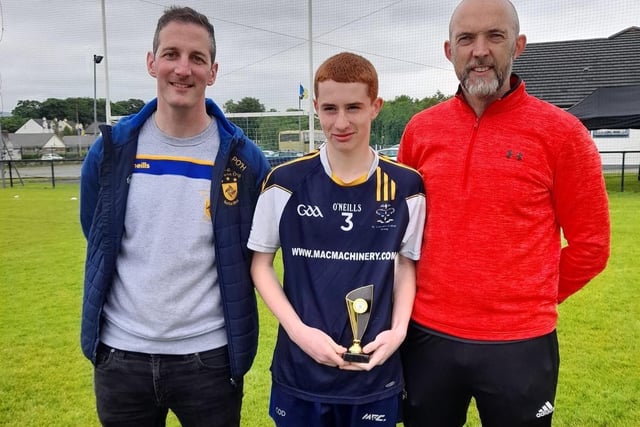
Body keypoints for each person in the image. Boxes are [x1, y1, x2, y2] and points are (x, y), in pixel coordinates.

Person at [398, 0, 611, 426]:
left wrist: (528, 298)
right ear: (449, 50)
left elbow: (592, 246)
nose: (479, 50)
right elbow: (403, 231)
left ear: (519, 45)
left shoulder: (563, 134)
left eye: (494, 36)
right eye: (466, 39)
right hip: (427, 336)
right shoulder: (421, 131)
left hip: (521, 344)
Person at [79, 6, 270, 426]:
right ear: (152, 62)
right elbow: (95, 230)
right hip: (120, 358)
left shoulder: (245, 160)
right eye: (171, 54)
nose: (182, 69)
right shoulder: (111, 150)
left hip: (209, 361)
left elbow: (251, 250)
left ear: (213, 71)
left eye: (197, 58)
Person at [248, 52, 426, 426]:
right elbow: (261, 265)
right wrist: (299, 333)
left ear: (375, 106)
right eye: (329, 109)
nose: (341, 122)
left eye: (354, 107)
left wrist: (398, 331)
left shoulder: (407, 187)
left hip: (374, 373)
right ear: (315, 107)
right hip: (301, 371)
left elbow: (407, 265)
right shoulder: (284, 183)